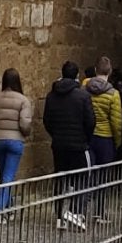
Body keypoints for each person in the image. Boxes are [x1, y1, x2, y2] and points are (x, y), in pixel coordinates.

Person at [42, 60, 94, 231]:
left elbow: (47, 120)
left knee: (60, 178)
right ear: (77, 76)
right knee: (83, 177)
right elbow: (90, 121)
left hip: (59, 144)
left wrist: (56, 135)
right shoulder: (83, 96)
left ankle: (59, 216)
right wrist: (85, 138)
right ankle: (75, 212)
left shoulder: (51, 95)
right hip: (79, 145)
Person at [0, 68, 33, 220]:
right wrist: (24, 133)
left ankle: (8, 207)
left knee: (4, 175)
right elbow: (25, 124)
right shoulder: (23, 100)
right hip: (15, 141)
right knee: (8, 176)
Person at [85, 56, 122, 222]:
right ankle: (99, 212)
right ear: (110, 71)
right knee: (103, 176)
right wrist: (118, 141)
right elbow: (116, 121)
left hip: (89, 135)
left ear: (95, 70)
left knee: (87, 173)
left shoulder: (84, 89)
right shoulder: (113, 94)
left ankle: (81, 210)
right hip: (105, 138)